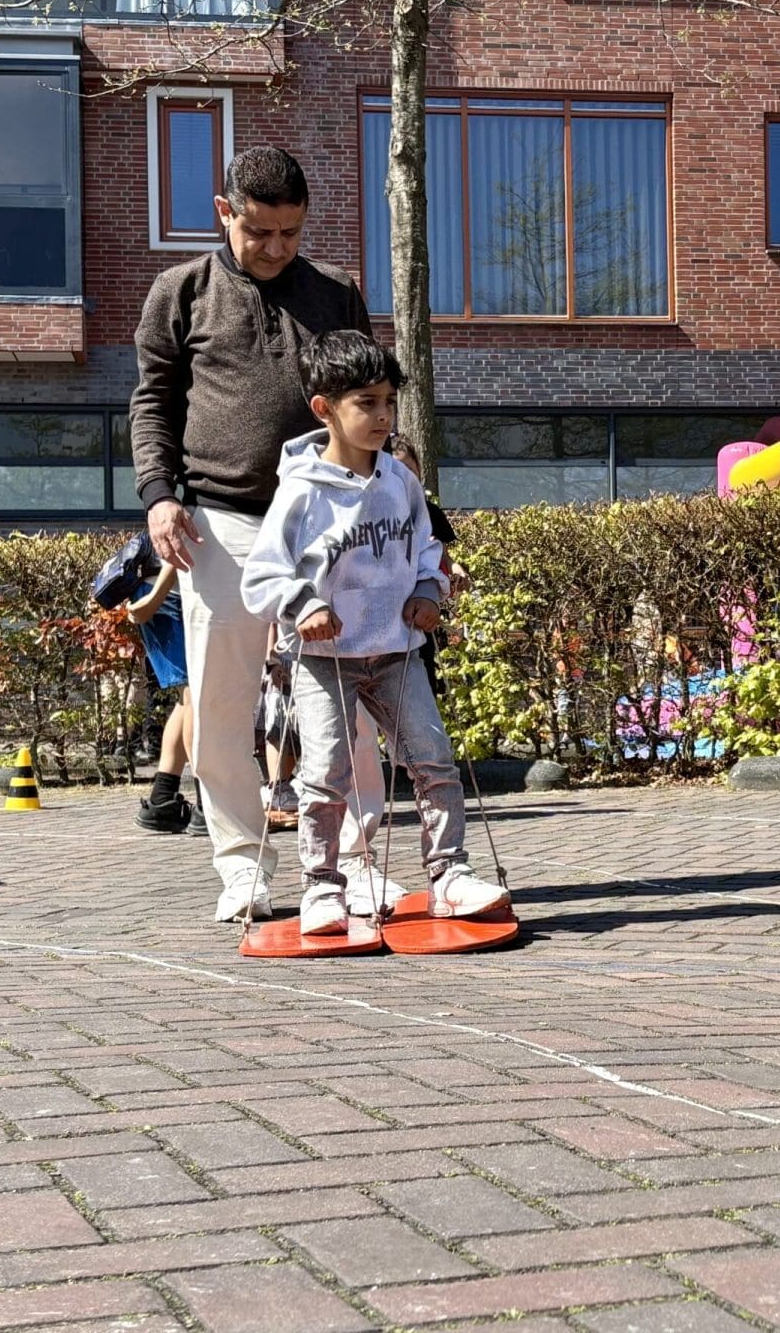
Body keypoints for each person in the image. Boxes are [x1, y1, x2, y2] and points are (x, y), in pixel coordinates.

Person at [130, 146, 382, 922]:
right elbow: (152, 404)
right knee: (220, 703)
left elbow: (368, 400)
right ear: (224, 213)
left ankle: (359, 865)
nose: (275, 248)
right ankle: (242, 868)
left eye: (290, 233)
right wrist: (158, 497)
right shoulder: (180, 293)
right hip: (219, 522)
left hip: (325, 524)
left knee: (348, 700)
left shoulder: (336, 292)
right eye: (259, 232)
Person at [242, 331, 511, 936]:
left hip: (397, 652)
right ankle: (321, 887)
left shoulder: (401, 482)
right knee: (326, 772)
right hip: (324, 658)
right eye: (366, 402)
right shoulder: (300, 491)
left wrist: (429, 591)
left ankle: (450, 876)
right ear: (325, 408)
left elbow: (428, 550)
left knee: (433, 760)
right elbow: (262, 574)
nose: (383, 415)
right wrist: (303, 603)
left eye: (389, 401)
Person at [387, 432, 468, 696]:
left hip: (420, 611)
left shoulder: (428, 511)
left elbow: (440, 552)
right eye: (396, 470)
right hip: (386, 612)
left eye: (409, 470)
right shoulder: (376, 510)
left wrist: (455, 569)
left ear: (419, 471)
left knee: (423, 681)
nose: (404, 478)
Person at [124, 561, 200, 834]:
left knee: (187, 698)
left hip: (161, 590)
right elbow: (177, 547)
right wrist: (155, 597)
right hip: (171, 592)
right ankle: (207, 805)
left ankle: (162, 800)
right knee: (195, 696)